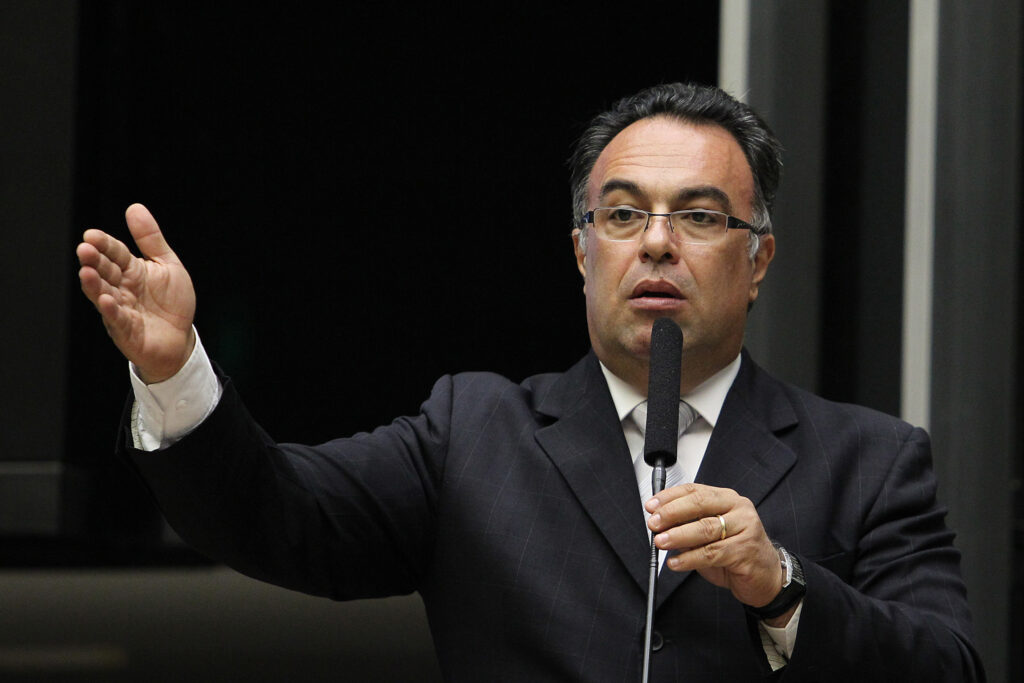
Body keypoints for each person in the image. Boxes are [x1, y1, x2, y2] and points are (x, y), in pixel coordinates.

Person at [76, 83, 984, 681]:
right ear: (583, 253)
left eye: (700, 217)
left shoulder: (870, 460)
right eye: (622, 214)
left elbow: (950, 665)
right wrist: (173, 368)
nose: (657, 241)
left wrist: (780, 585)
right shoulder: (473, 432)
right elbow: (275, 514)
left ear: (758, 261)